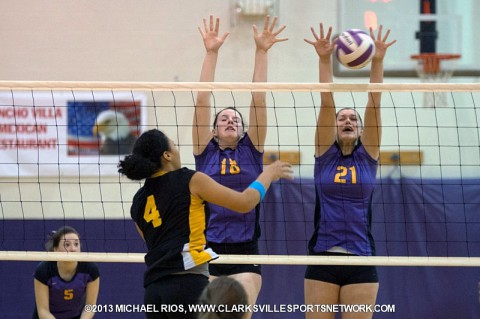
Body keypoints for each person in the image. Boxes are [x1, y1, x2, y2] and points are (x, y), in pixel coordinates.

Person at [118, 129, 293, 319]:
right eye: (174, 145)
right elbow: (245, 203)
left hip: (153, 293)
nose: (177, 150)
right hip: (187, 285)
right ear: (167, 155)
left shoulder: (138, 200)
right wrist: (268, 174)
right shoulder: (190, 179)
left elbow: (152, 241)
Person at [192, 15, 287, 312]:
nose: (230, 120)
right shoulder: (203, 150)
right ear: (214, 130)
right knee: (207, 315)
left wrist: (261, 52)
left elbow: (258, 100)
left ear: (243, 130)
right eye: (224, 119)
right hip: (205, 250)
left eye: (235, 119)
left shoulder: (251, 149)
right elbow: (202, 101)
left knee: (238, 312)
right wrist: (211, 53)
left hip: (246, 249)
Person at [303, 24, 396, 319]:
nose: (347, 120)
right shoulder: (324, 155)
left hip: (361, 258)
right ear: (334, 126)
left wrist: (378, 60)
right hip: (322, 258)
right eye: (342, 118)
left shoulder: (368, 155)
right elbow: (326, 101)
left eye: (353, 118)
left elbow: (374, 102)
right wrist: (323, 59)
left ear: (360, 129)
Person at [33, 226, 100, 319]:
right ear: (55, 249)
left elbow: (90, 306)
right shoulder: (44, 270)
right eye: (67, 245)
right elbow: (43, 311)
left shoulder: (90, 269)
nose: (73, 249)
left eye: (76, 244)